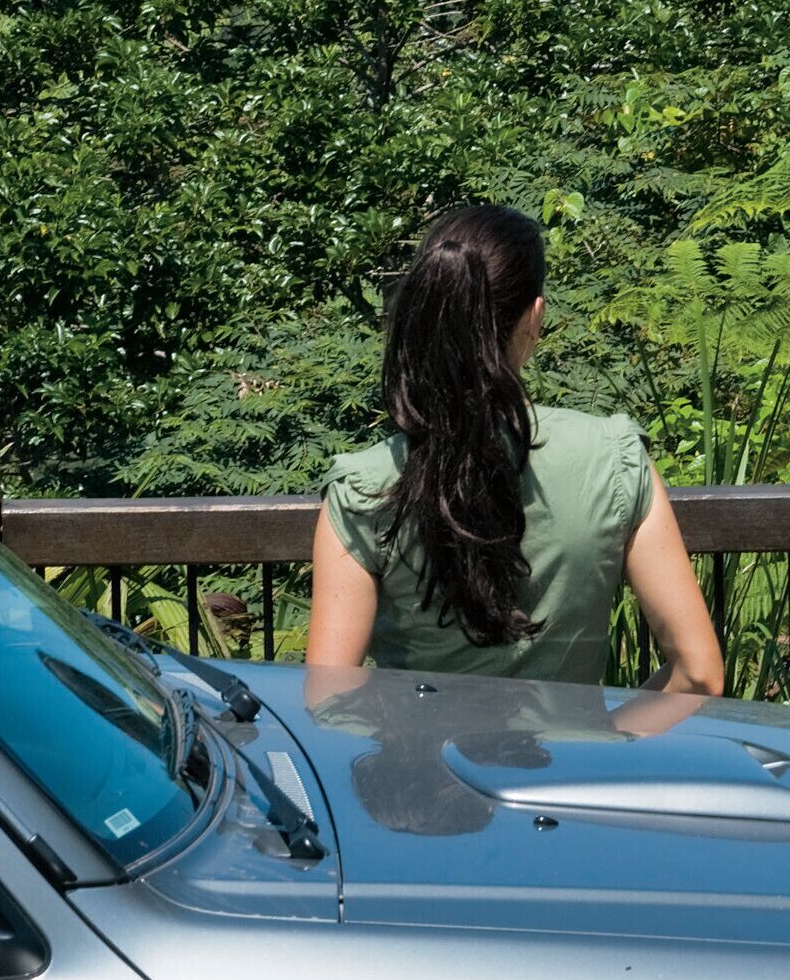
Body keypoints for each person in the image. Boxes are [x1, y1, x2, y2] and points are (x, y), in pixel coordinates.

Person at [305, 203, 725, 694]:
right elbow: (699, 674)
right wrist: (610, 733)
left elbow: (327, 701)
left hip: (416, 747)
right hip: (575, 748)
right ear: (534, 317)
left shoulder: (363, 487)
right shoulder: (615, 458)